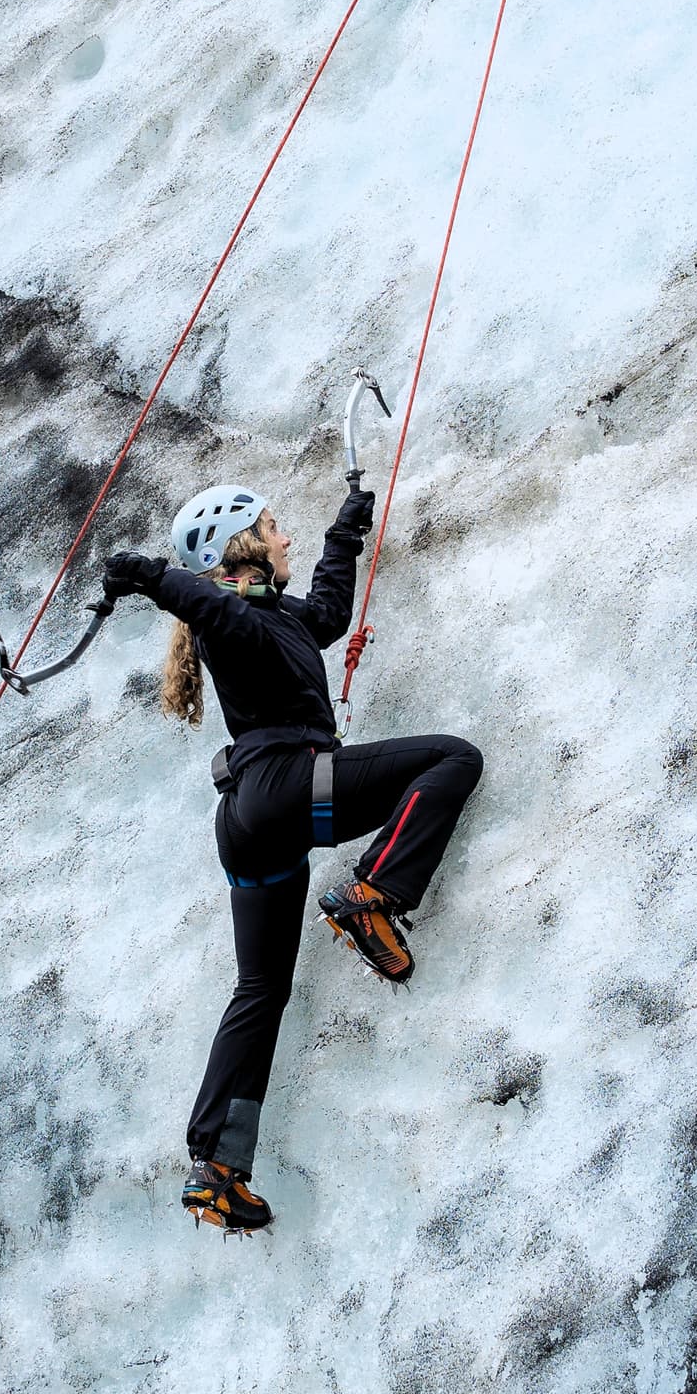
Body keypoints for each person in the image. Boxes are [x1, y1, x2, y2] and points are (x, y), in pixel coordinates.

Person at [99, 482, 481, 1236]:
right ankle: (371, 893)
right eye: (274, 528)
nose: (286, 539)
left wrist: (348, 531)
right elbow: (207, 609)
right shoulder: (231, 621)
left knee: (261, 988)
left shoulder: (278, 618)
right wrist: (150, 577)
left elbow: (330, 612)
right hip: (286, 790)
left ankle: (217, 1167)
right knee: (452, 759)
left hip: (250, 826)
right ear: (244, 545)